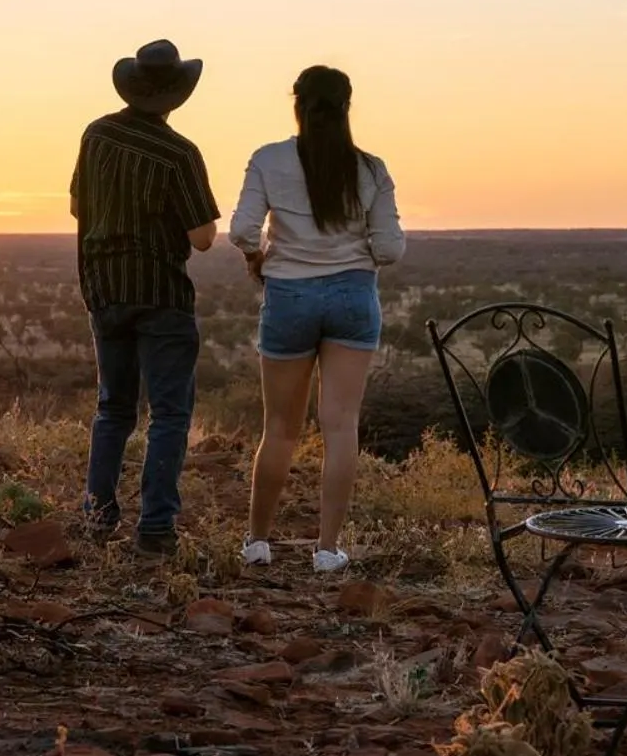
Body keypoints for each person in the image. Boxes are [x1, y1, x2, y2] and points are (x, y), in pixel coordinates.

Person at [228, 65, 405, 572]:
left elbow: (241, 230)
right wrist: (355, 253)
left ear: (297, 105)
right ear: (347, 108)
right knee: (341, 426)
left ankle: (258, 542)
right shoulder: (371, 170)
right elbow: (391, 248)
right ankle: (327, 550)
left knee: (280, 427)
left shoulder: (268, 160)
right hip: (353, 297)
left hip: (288, 297)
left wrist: (259, 256)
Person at [71, 39, 221, 555]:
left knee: (113, 407)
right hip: (160, 292)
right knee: (169, 413)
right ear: (177, 95)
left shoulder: (97, 135)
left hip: (104, 286)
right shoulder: (180, 154)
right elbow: (202, 237)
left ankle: (97, 515)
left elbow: (77, 206)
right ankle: (156, 527)